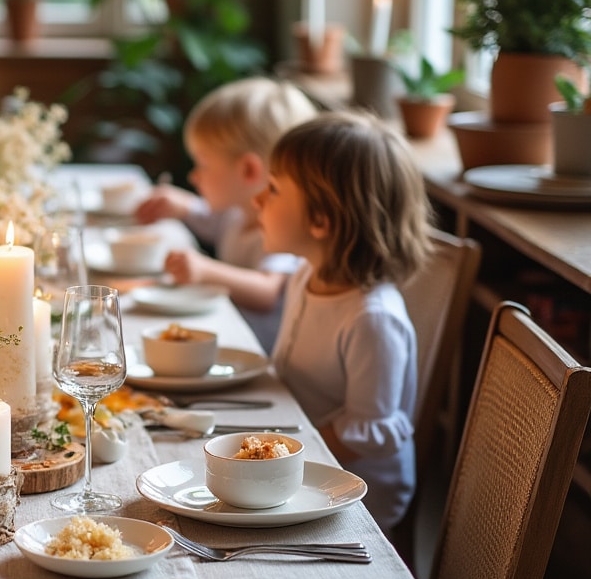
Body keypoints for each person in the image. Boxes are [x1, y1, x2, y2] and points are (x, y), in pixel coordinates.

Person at [257, 112, 433, 530]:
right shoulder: (305, 274)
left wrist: (278, 459)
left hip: (353, 489)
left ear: (321, 221)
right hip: (303, 455)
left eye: (274, 189)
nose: (257, 199)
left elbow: (367, 432)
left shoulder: (371, 320)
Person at [134, 78, 318, 352]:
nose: (193, 176)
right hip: (227, 338)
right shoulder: (237, 214)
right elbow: (209, 219)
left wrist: (205, 270)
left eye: (202, 164)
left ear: (249, 171)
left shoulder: (285, 233)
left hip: (256, 354)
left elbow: (267, 291)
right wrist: (182, 206)